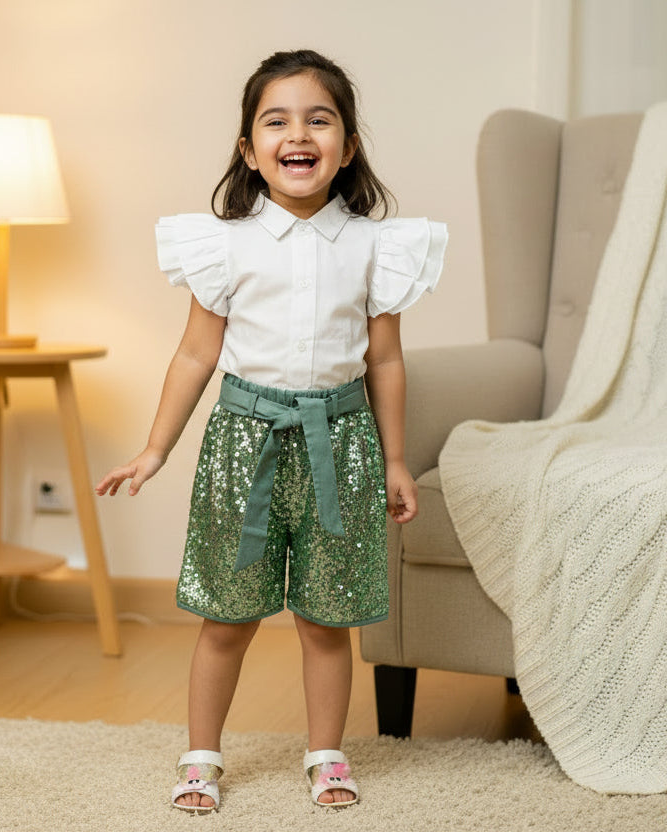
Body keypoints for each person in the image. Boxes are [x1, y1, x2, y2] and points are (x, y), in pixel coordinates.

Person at [95, 49, 447, 813]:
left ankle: (325, 754)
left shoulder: (376, 247)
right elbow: (196, 354)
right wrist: (154, 449)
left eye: (319, 120)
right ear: (250, 151)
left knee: (324, 619)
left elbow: (385, 361)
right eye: (276, 121)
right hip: (242, 445)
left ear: (347, 148)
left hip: (343, 447)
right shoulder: (222, 244)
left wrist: (395, 460)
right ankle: (201, 758)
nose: (298, 134)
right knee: (227, 615)